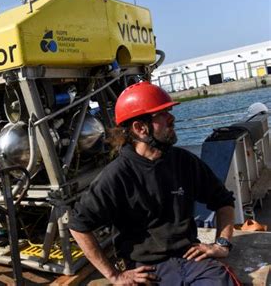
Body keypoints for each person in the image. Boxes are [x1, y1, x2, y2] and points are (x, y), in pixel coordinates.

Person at [69, 81, 236, 285]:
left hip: (192, 259)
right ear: (140, 128)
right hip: (147, 271)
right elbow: (79, 225)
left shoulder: (183, 161)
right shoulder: (117, 175)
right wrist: (114, 275)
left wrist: (222, 244)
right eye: (163, 114)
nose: (172, 118)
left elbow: (223, 200)